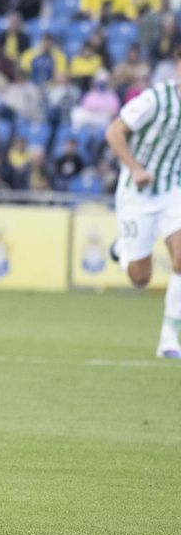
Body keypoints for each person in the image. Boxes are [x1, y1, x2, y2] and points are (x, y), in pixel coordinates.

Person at [103, 81, 181, 359]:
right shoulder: (155, 100)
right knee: (140, 278)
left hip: (173, 190)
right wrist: (135, 168)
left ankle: (168, 339)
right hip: (138, 192)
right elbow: (113, 132)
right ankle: (122, 249)